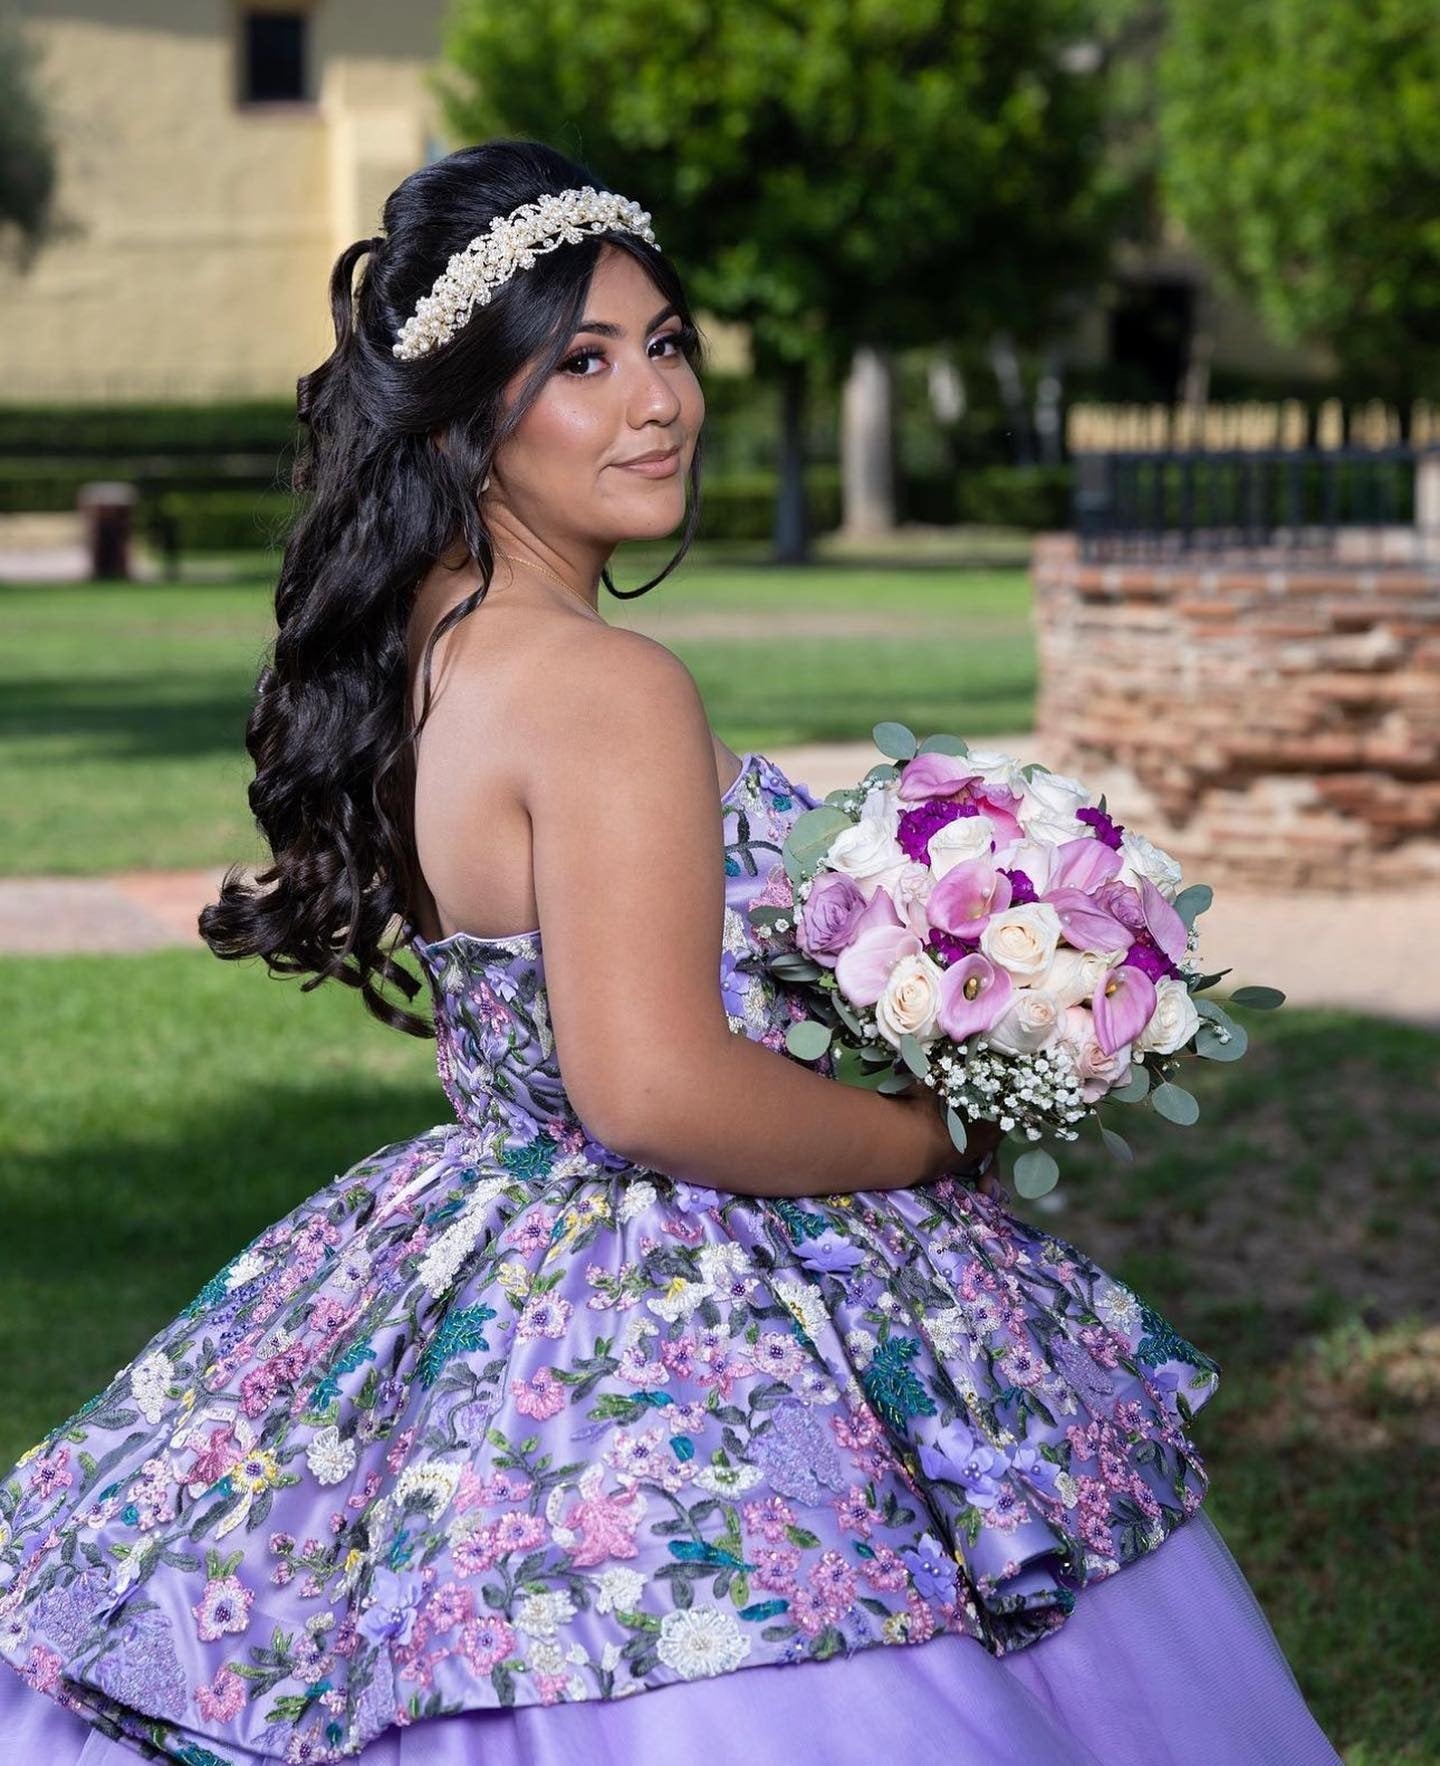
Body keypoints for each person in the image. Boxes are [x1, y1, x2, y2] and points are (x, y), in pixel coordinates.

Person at [0, 138, 1341, 1765]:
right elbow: (648, 1084)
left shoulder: (435, 644)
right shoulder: (607, 684)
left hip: (486, 1233)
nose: (660, 401)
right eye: (582, 361)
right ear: (470, 409)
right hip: (678, 1297)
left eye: (669, 344)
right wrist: (935, 1132)